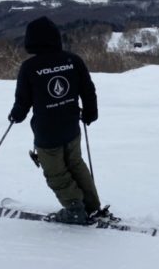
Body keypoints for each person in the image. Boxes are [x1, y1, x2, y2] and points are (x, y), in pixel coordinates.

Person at [8, 16, 101, 225]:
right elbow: (88, 90)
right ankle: (91, 205)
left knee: (56, 172)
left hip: (47, 133)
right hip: (71, 127)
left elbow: (23, 101)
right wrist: (90, 112)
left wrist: (16, 115)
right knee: (76, 164)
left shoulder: (30, 67)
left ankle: (75, 208)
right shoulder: (73, 60)